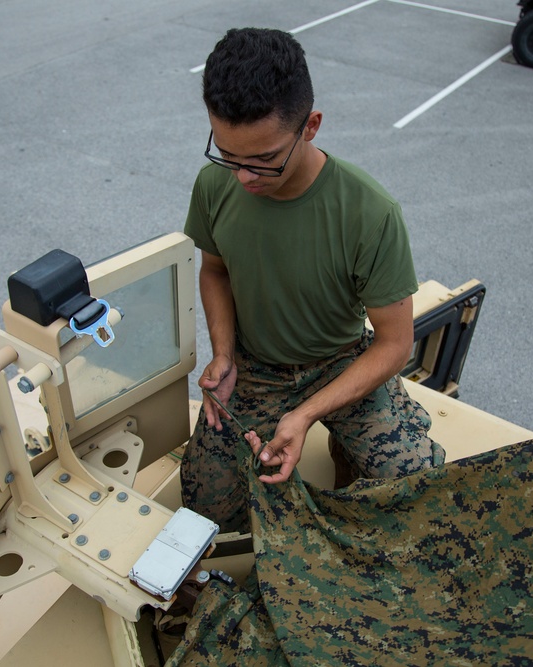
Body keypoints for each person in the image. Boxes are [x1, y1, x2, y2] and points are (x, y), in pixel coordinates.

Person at [181, 27, 439, 534]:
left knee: (417, 487)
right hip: (254, 365)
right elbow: (214, 269)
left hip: (341, 360)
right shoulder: (215, 184)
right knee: (203, 512)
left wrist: (304, 415)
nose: (243, 178)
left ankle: (347, 442)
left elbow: (394, 344)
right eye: (228, 155)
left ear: (311, 126)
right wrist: (224, 354)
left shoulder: (369, 212)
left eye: (263, 159)